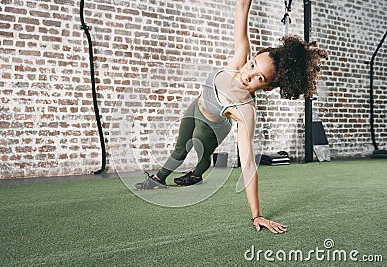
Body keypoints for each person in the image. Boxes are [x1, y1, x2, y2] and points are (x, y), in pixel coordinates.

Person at [134, 0, 328, 234]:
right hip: (196, 106)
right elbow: (241, 11)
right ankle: (158, 180)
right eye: (253, 65)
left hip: (211, 127)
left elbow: (248, 164)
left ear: (266, 88)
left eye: (259, 78)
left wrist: (257, 215)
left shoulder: (245, 109)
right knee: (179, 147)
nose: (249, 75)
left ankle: (197, 173)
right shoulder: (239, 61)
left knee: (198, 152)